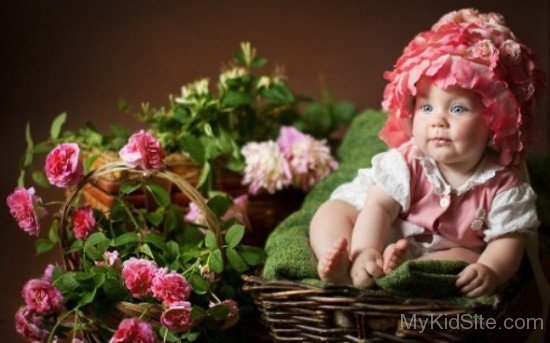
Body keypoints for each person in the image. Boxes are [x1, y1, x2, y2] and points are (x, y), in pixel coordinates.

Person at [309, 8, 545, 298]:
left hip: (439, 250)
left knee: (470, 258)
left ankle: (406, 277)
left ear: (493, 120)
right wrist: (366, 249)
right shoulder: (407, 162)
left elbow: (508, 240)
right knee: (330, 213)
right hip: (378, 230)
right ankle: (345, 268)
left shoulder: (503, 185)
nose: (437, 120)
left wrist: (492, 270)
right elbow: (379, 208)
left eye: (457, 109)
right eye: (426, 107)